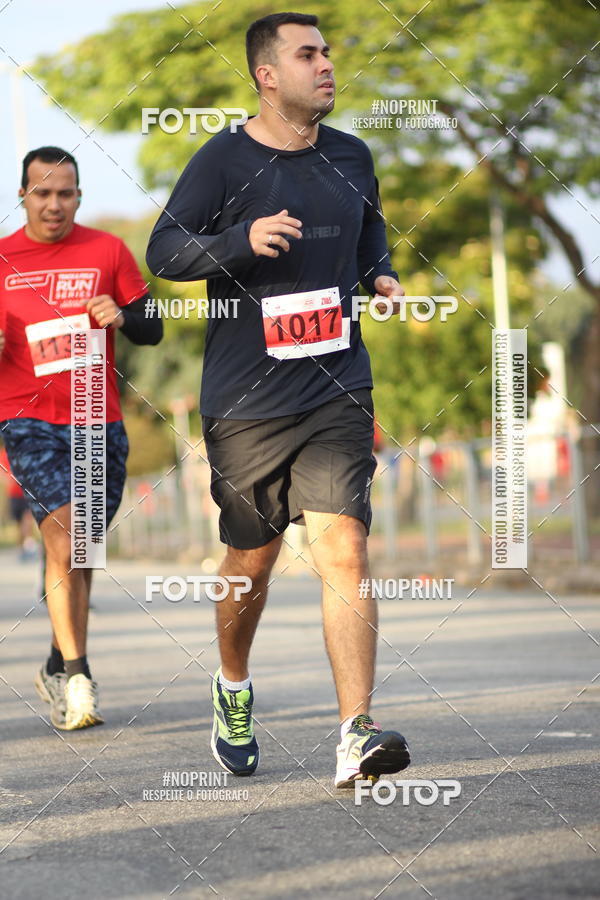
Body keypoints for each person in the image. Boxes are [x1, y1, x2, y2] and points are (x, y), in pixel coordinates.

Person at [146, 12, 410, 788]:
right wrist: (238, 241)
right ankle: (232, 684)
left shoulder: (353, 156)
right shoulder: (223, 160)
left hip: (336, 385)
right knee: (250, 564)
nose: (327, 63)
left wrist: (381, 275)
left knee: (345, 549)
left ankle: (355, 733)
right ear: (268, 74)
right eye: (309, 54)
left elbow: (371, 235)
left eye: (328, 51)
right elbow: (163, 250)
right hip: (246, 402)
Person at [0, 146, 163, 730]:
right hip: (28, 419)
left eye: (65, 193)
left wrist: (122, 313)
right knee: (66, 540)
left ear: (78, 197)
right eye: (41, 193)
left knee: (82, 550)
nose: (53, 204)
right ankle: (78, 674)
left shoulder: (107, 251)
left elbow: (153, 328)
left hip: (99, 419)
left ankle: (54, 660)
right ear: (22, 196)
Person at [0, 445, 37, 560]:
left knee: (27, 519)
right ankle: (23, 548)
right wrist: (8, 479)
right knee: (19, 523)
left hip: (26, 493)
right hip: (13, 494)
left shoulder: (26, 450)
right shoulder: (4, 453)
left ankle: (29, 545)